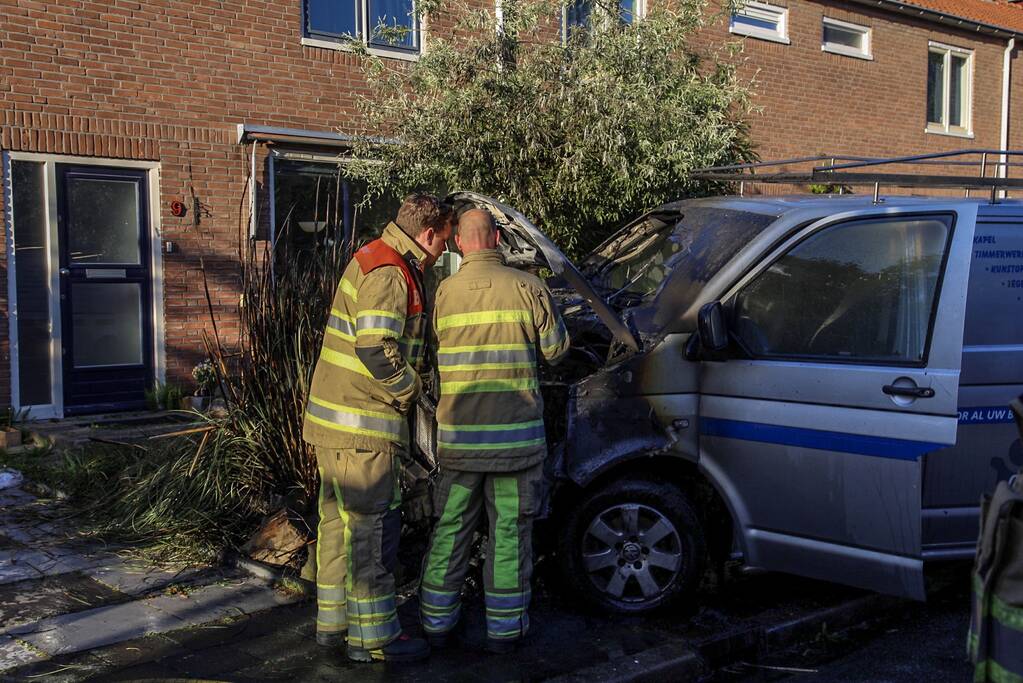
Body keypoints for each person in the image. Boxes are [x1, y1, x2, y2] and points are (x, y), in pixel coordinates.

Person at [303, 193, 452, 663]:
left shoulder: (373, 256)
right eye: (444, 242)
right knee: (369, 537)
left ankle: (334, 627)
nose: (443, 252)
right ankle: (377, 641)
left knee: (336, 529)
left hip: (332, 424)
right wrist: (414, 393)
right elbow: (374, 348)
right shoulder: (390, 271)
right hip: (363, 431)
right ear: (427, 234)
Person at [419, 208, 570, 654]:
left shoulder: (443, 293)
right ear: (499, 237)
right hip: (516, 449)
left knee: (450, 530)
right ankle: (504, 633)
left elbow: (433, 353)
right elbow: (558, 351)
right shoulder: (529, 286)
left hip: (461, 446)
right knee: (509, 534)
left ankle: (435, 624)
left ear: (460, 243)